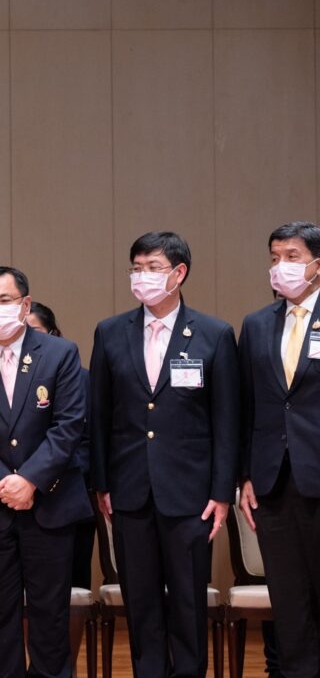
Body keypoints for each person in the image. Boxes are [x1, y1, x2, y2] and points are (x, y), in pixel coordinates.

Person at [89, 231, 238, 678]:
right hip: (129, 491)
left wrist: (222, 491)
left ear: (179, 274)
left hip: (191, 494)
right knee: (141, 600)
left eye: (153, 268)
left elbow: (226, 420)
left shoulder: (214, 334)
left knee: (189, 601)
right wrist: (102, 483)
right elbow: (99, 416)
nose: (142, 277)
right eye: (136, 268)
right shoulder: (111, 332)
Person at [0, 266, 90, 678]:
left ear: (25, 305)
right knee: (0, 616)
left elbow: (68, 426)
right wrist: (1, 483)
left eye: (4, 301)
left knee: (49, 615)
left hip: (50, 504)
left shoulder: (60, 354)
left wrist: (30, 480)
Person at [238, 221, 320, 678]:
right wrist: (244, 475)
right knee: (289, 603)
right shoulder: (256, 325)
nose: (280, 267)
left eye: (291, 256)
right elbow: (245, 406)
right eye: (274, 258)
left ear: (316, 264)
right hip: (273, 482)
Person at [25, 302, 96, 592]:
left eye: (34, 331)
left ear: (53, 333)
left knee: (71, 585)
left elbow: (86, 438)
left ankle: (69, 641)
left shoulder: (80, 377)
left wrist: (42, 476)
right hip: (13, 494)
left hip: (66, 491)